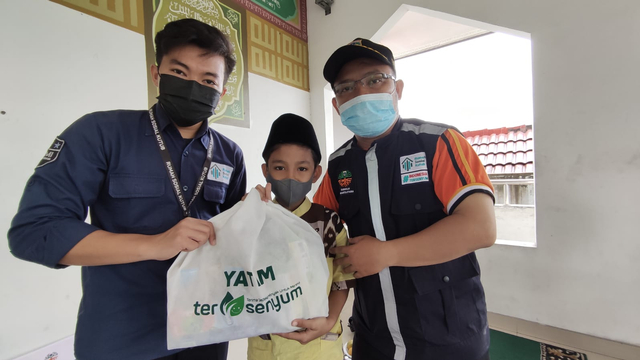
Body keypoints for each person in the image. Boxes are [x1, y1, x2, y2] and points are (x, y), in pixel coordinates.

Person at [7, 19, 246, 360]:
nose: (194, 86)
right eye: (179, 72)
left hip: (207, 332)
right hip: (123, 339)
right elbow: (34, 232)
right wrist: (155, 244)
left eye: (208, 80)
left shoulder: (229, 154)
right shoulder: (101, 133)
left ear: (222, 93)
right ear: (156, 74)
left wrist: (258, 215)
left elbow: (231, 241)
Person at [313, 38, 497, 360]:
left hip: (449, 340)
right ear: (336, 104)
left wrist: (386, 253)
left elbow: (480, 228)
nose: (361, 93)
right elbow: (318, 238)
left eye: (374, 80)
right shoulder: (337, 166)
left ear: (397, 89)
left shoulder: (439, 142)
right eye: (346, 88)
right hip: (372, 339)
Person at [247, 113, 355, 360]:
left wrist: (329, 320)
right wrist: (242, 217)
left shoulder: (328, 221)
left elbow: (343, 277)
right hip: (267, 346)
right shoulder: (254, 217)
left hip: (318, 347)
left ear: (316, 174)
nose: (291, 177)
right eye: (279, 167)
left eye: (302, 168)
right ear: (266, 171)